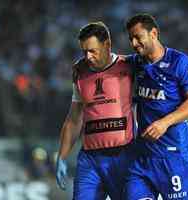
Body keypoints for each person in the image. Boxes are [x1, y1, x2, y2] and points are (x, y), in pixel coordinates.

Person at [124, 13, 188, 200]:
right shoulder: (136, 63)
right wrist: (83, 64)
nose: (134, 43)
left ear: (153, 33)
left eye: (138, 37)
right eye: (131, 39)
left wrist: (165, 123)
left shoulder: (179, 62)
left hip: (174, 157)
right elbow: (110, 62)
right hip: (142, 159)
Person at [56, 21, 135, 200]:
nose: (88, 56)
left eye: (93, 51)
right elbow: (74, 118)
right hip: (89, 160)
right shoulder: (79, 71)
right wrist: (62, 156)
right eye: (84, 52)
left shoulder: (130, 66)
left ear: (107, 44)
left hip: (123, 156)